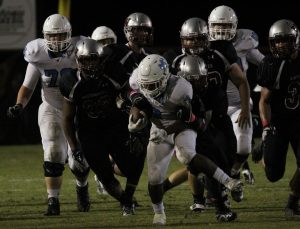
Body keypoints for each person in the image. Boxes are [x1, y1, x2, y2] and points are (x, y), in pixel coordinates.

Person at [129, 54, 243, 225]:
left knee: (186, 155)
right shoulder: (138, 79)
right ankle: (159, 213)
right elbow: (135, 99)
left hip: (181, 127)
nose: (150, 89)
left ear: (165, 77)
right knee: (154, 177)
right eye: (146, 85)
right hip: (158, 128)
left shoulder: (181, 89)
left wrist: (165, 130)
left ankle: (228, 181)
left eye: (154, 85)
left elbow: (188, 120)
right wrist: (135, 119)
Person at [7, 14, 90, 216]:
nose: (56, 40)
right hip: (52, 107)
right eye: (52, 36)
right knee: (53, 152)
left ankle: (82, 187)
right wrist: (19, 105)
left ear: (69, 35)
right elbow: (27, 87)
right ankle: (53, 201)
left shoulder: (80, 49)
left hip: (78, 109)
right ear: (44, 37)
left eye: (60, 35)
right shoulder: (38, 53)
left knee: (78, 159)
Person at [60, 38, 148, 216]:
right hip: (90, 135)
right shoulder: (70, 81)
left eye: (94, 59)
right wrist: (74, 147)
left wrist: (134, 105)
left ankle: (126, 198)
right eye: (85, 60)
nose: (90, 64)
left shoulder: (113, 72)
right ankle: (126, 202)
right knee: (105, 177)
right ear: (78, 60)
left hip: (115, 127)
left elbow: (127, 91)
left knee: (132, 166)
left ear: (101, 60)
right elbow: (67, 118)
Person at [92, 12, 154, 197]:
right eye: (138, 29)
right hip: (116, 111)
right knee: (127, 160)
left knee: (136, 160)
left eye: (145, 30)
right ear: (128, 31)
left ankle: (125, 192)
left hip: (137, 110)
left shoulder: (149, 58)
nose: (142, 33)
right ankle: (105, 171)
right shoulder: (116, 52)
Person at [208, 4, 265, 185]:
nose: (222, 30)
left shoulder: (243, 43)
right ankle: (209, 190)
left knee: (243, 146)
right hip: (214, 105)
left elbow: (264, 64)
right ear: (210, 26)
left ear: (235, 26)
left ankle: (233, 172)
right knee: (213, 149)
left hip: (239, 105)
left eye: (226, 26)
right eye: (218, 25)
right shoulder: (204, 45)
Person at [257, 19, 300, 218]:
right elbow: (264, 101)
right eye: (278, 41)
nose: (281, 45)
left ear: (295, 40)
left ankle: (292, 203)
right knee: (274, 175)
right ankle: (265, 150)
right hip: (280, 123)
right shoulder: (275, 65)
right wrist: (266, 127)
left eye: (286, 40)